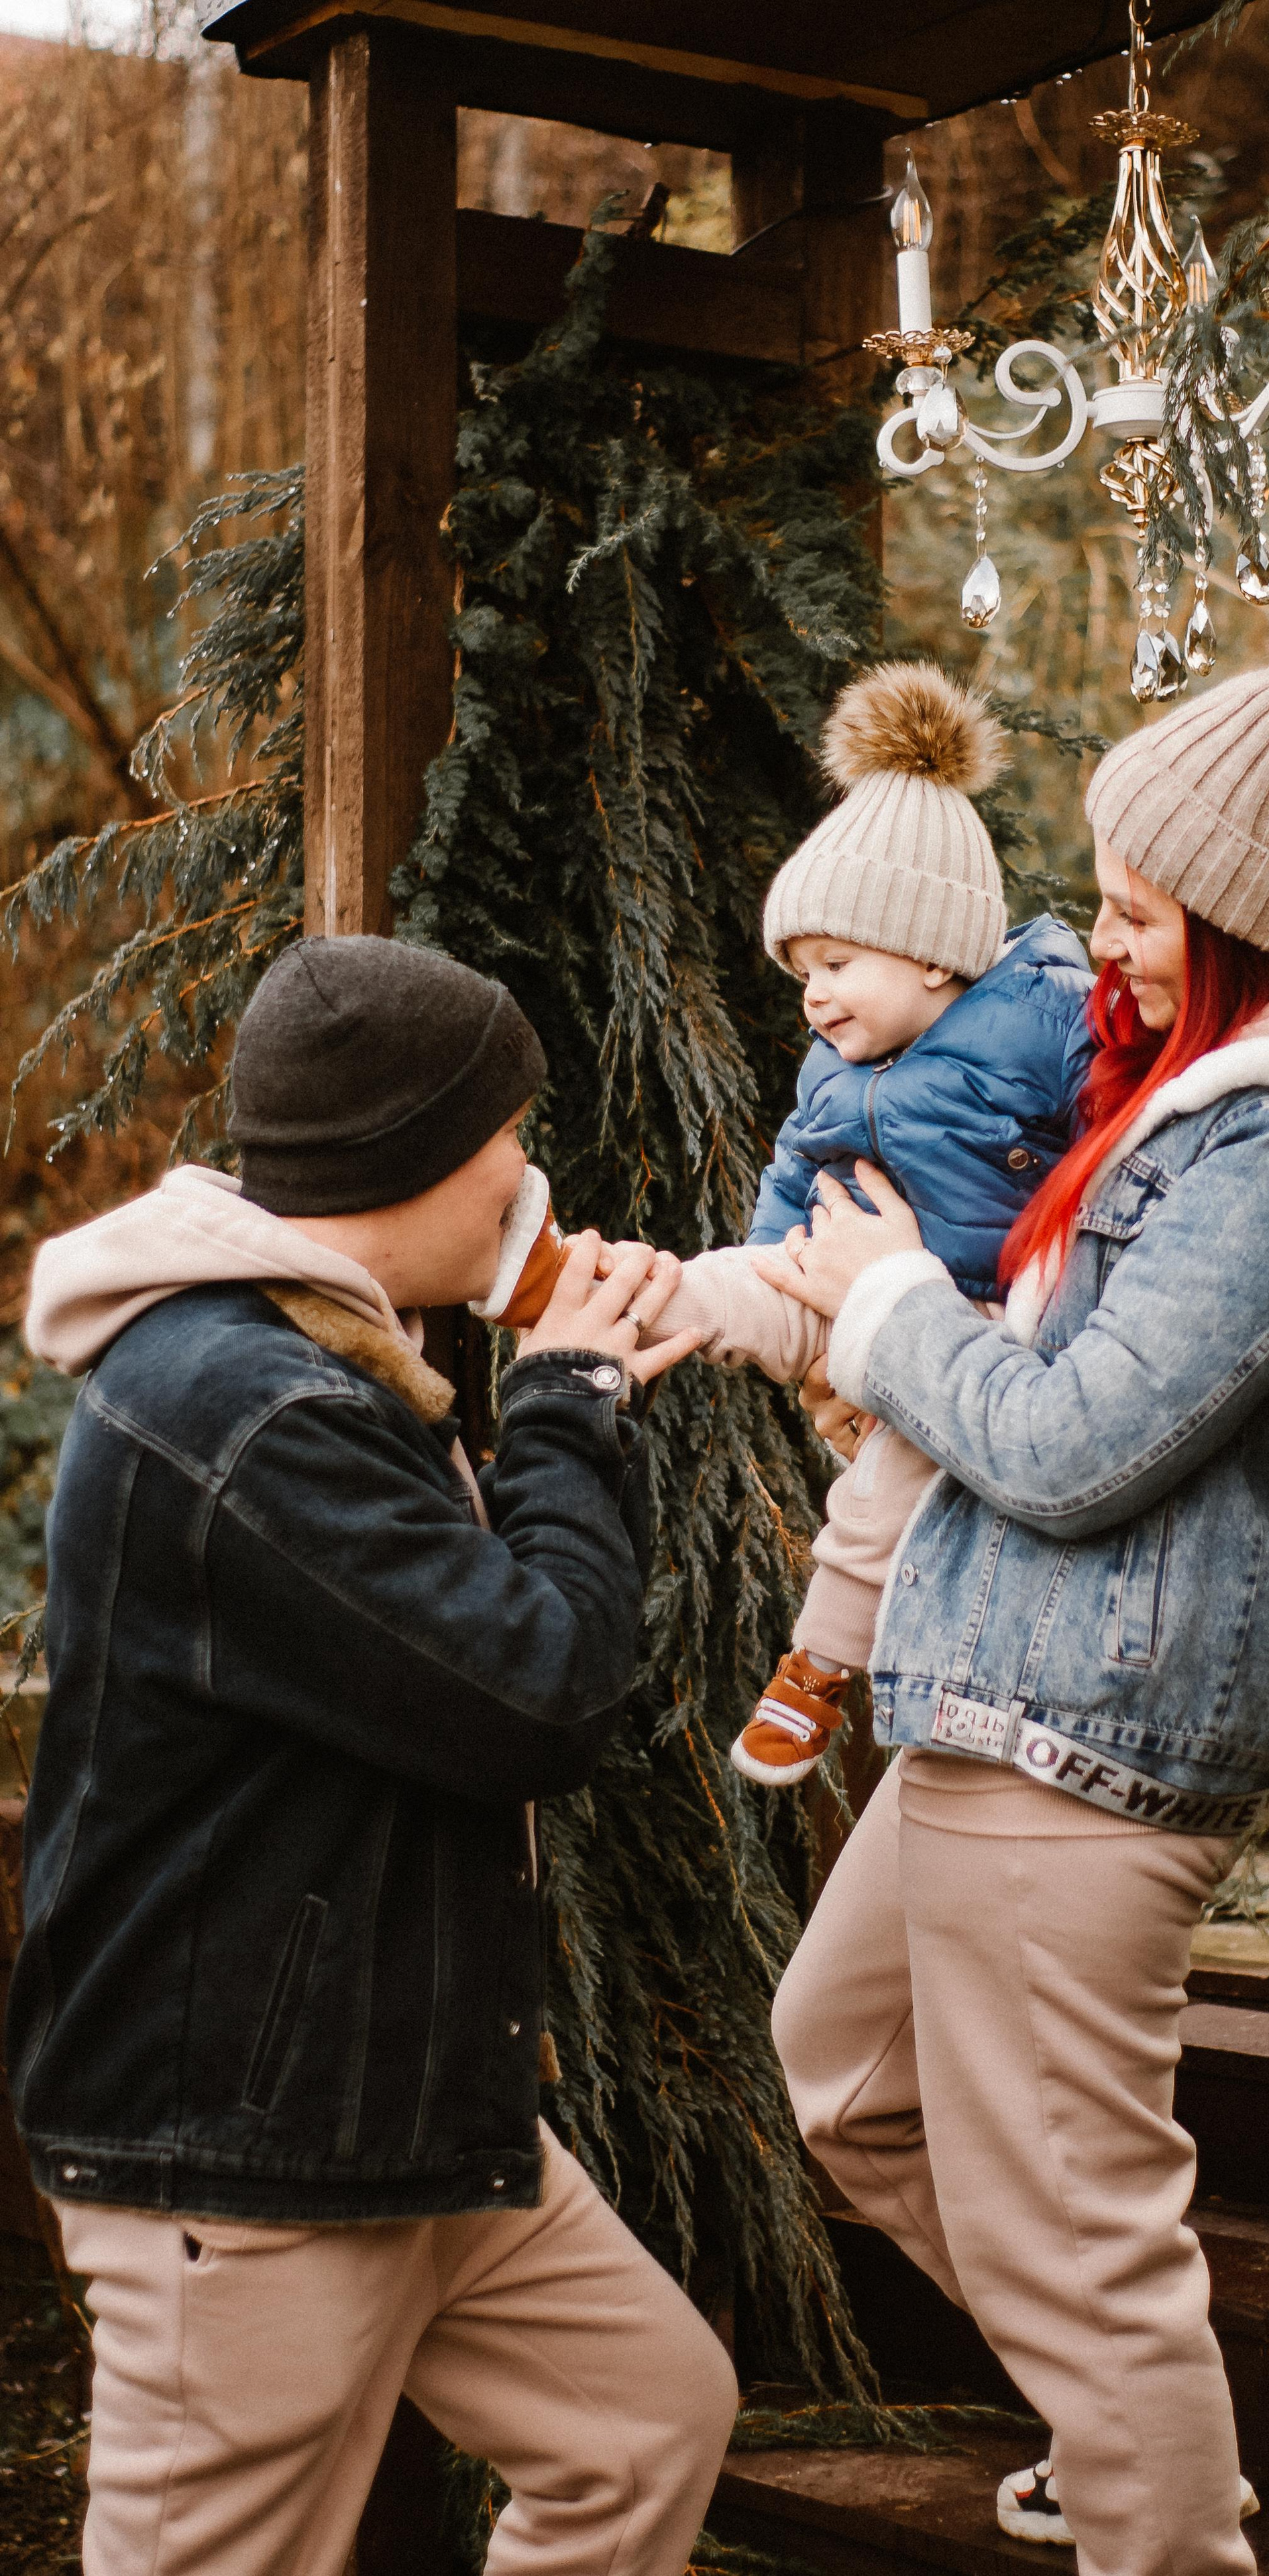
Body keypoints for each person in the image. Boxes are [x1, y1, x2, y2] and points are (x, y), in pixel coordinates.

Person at [755, 564, 1269, 2576]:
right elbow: (1023, 1364)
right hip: (993, 1696)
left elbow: (1076, 1445)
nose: (1114, 941)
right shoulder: (1198, 1095)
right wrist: (814, 1306)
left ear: (1244, 922)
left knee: (1078, 2230)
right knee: (851, 2082)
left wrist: (898, 1308)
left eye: (1148, 908)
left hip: (1093, 1730)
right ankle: (1129, 2439)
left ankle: (1160, 2519)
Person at [9, 935, 732, 2576]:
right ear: (409, 1155)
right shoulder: (244, 1404)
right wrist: (566, 1399)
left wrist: (569, 1385)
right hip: (245, 2158)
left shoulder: (305, 1352)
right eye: (506, 1135)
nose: (525, 1175)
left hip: (401, 2115)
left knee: (644, 2428)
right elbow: (534, 1689)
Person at [645, 661, 1091, 1789]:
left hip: (973, 1317)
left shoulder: (1046, 1020)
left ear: (936, 951)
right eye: (801, 970)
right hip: (839, 1277)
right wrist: (765, 1269)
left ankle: (819, 1661)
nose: (813, 994)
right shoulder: (833, 1066)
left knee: (883, 1489)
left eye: (837, 963)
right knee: (732, 1278)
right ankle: (633, 1297)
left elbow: (1118, 1130)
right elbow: (796, 1174)